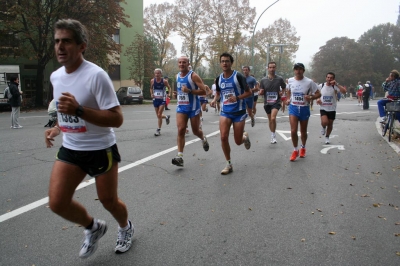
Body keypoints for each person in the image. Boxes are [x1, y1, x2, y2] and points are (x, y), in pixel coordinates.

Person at [44, 19, 133, 259]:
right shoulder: (56, 77)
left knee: (108, 201)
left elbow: (116, 119)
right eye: (57, 41)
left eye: (67, 41)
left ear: (82, 46)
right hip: (71, 149)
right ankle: (93, 228)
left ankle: (125, 227)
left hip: (100, 149)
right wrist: (57, 128)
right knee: (57, 202)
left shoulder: (97, 76)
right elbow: (65, 111)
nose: (60, 47)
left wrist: (80, 110)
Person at [210, 52, 252, 175]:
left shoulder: (238, 76)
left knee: (238, 141)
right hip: (225, 112)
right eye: (222, 61)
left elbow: (248, 92)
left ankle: (244, 138)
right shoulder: (219, 78)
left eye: (227, 61)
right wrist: (214, 100)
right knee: (223, 137)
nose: (224, 63)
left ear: (231, 63)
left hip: (239, 112)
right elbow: (218, 93)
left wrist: (238, 98)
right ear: (220, 63)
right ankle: (229, 164)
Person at [171, 56, 209, 167]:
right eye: (180, 62)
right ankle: (180, 157)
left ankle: (203, 138)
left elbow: (204, 91)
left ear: (188, 64)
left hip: (193, 108)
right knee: (181, 129)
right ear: (178, 64)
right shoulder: (177, 76)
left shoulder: (193, 76)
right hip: (181, 107)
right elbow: (181, 91)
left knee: (196, 131)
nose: (182, 64)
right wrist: (177, 94)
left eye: (184, 62)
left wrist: (189, 91)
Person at [286, 63, 320, 161]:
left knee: (303, 131)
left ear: (303, 70)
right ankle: (295, 150)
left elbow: (318, 94)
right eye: (296, 69)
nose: (298, 71)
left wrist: (311, 97)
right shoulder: (291, 80)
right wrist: (288, 99)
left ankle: (303, 148)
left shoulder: (309, 82)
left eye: (300, 69)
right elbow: (288, 91)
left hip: (304, 108)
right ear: (294, 71)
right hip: (293, 107)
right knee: (293, 131)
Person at [259, 61, 286, 144]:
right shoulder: (263, 80)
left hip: (276, 102)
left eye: (273, 67)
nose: (272, 69)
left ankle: (273, 136)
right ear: (267, 68)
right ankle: (272, 133)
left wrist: (282, 93)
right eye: (270, 67)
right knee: (270, 120)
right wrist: (261, 92)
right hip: (267, 103)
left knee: (273, 118)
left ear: (275, 68)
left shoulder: (279, 79)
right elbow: (261, 91)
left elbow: (284, 87)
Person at [316, 72, 347, 144]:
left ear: (334, 79)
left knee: (330, 124)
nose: (329, 79)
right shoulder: (321, 85)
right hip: (323, 107)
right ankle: (323, 127)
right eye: (328, 77)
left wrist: (336, 84)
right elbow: (316, 93)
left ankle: (327, 137)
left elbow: (344, 92)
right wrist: (317, 99)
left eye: (331, 78)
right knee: (325, 122)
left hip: (332, 108)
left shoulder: (335, 86)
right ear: (326, 78)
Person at [150, 69, 171, 136]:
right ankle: (166, 117)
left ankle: (158, 130)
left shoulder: (164, 81)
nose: (157, 75)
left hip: (162, 99)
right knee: (158, 115)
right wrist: (151, 94)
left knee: (159, 114)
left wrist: (168, 94)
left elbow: (169, 87)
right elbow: (151, 88)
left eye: (158, 73)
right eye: (156, 73)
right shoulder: (152, 81)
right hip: (155, 99)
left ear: (160, 74)